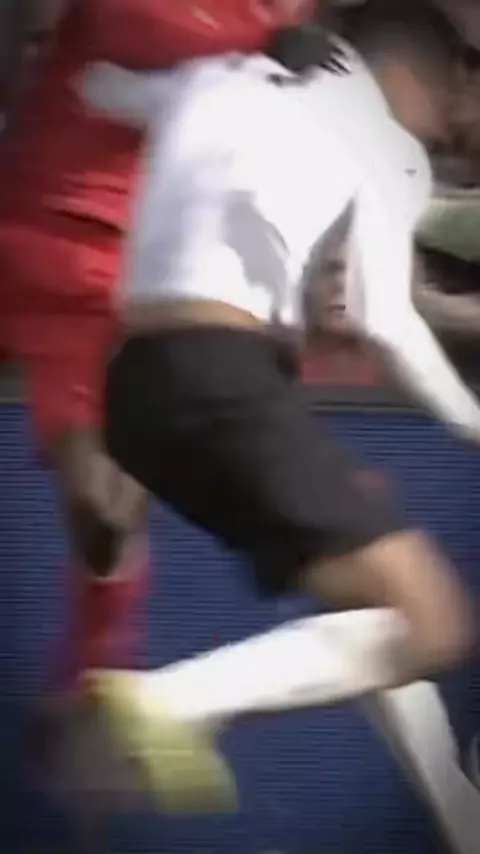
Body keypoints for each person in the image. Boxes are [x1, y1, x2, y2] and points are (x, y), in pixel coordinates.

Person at [75, 0, 480, 807]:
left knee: (373, 615)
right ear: (409, 77)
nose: (441, 132)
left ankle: (461, 821)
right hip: (222, 374)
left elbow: (97, 86)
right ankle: (164, 702)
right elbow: (386, 321)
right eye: (445, 106)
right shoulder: (380, 138)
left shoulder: (216, 75)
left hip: (133, 389)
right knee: (432, 621)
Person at [0, 0, 297, 695]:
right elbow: (134, 24)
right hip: (43, 238)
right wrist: (270, 36)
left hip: (134, 262)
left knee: (105, 516)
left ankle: (95, 684)